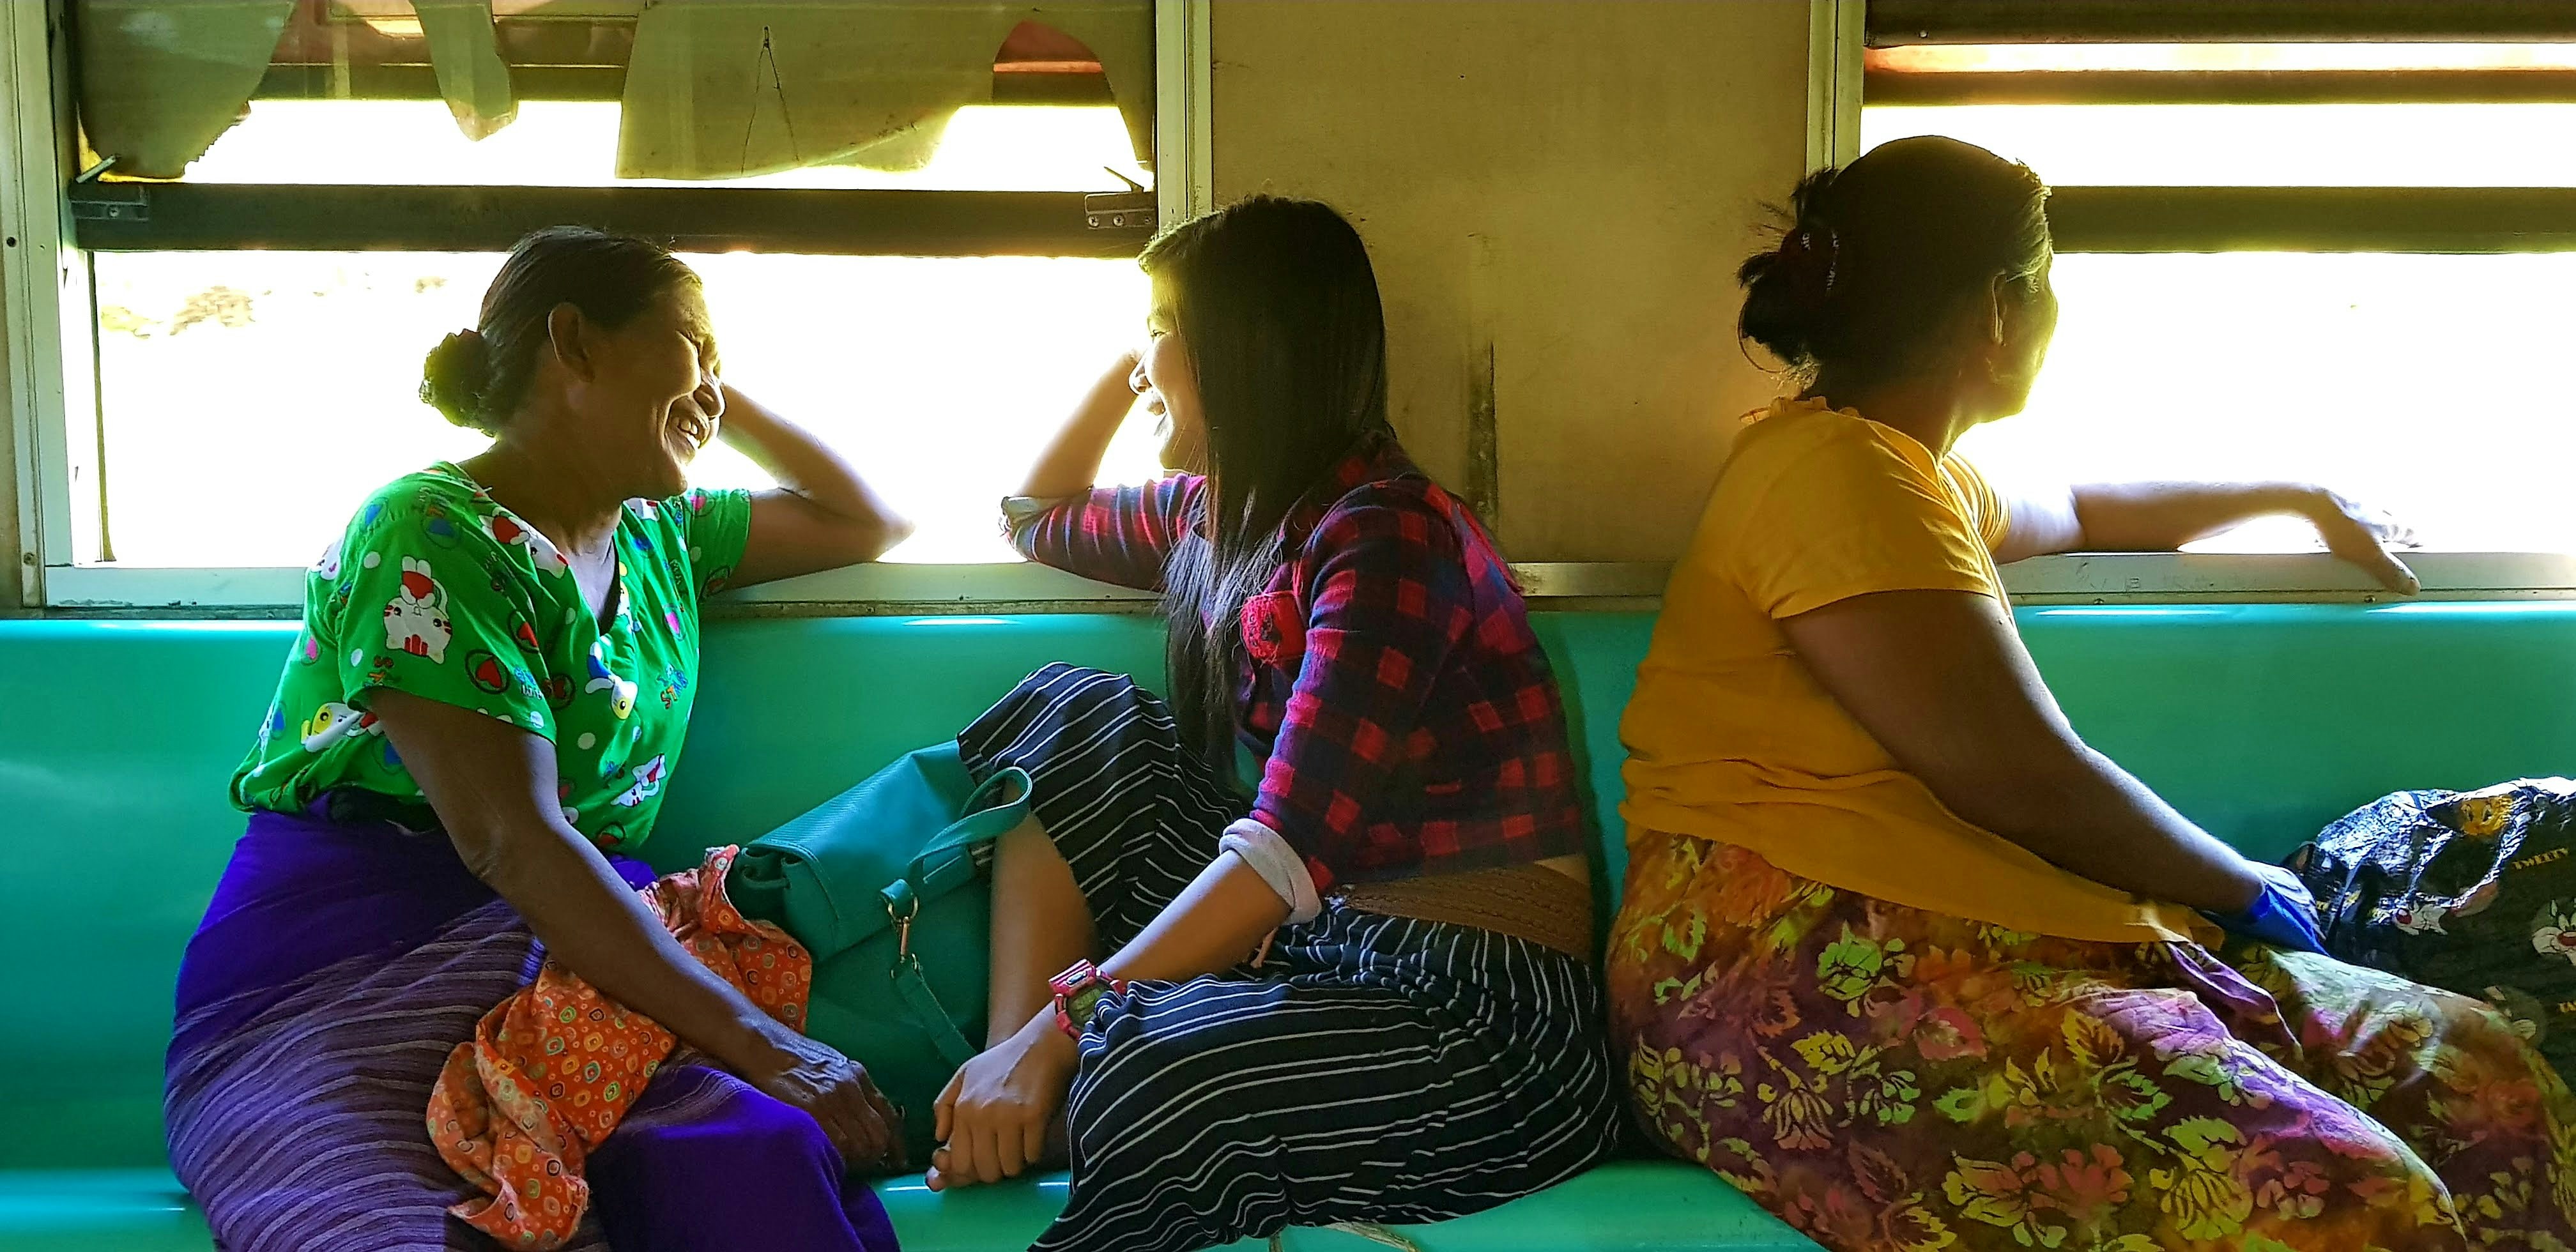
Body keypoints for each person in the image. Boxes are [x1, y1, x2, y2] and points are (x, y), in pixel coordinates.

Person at [1609, 135, 2576, 1251]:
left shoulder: (1910, 471)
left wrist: (2301, 493)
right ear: (2005, 309)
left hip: (1976, 933)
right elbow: (2022, 779)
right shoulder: (1833, 476)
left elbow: (2077, 503)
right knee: (2350, 1203)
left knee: (2481, 1085)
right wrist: (2244, 886)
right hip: (1795, 972)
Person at [166, 226, 914, 1252]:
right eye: (693, 345)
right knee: (382, 1230)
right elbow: (510, 841)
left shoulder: (662, 532)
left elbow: (868, 519)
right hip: (344, 970)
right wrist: (760, 1042)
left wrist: (698, 387)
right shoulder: (428, 531)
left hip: (579, 969)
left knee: (751, 1162)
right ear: (574, 342)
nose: (712, 393)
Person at [926, 196, 1620, 1252]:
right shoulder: (1219, 515)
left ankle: (1044, 1081)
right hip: (1325, 948)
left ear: (1244, 352)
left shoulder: (1391, 535)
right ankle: (1008, 1108)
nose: (1144, 357)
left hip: (1473, 1015)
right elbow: (1032, 517)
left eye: (1163, 330)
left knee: (1145, 1074)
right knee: (1076, 716)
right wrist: (1142, 374)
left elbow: (1288, 849)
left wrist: (1062, 1028)